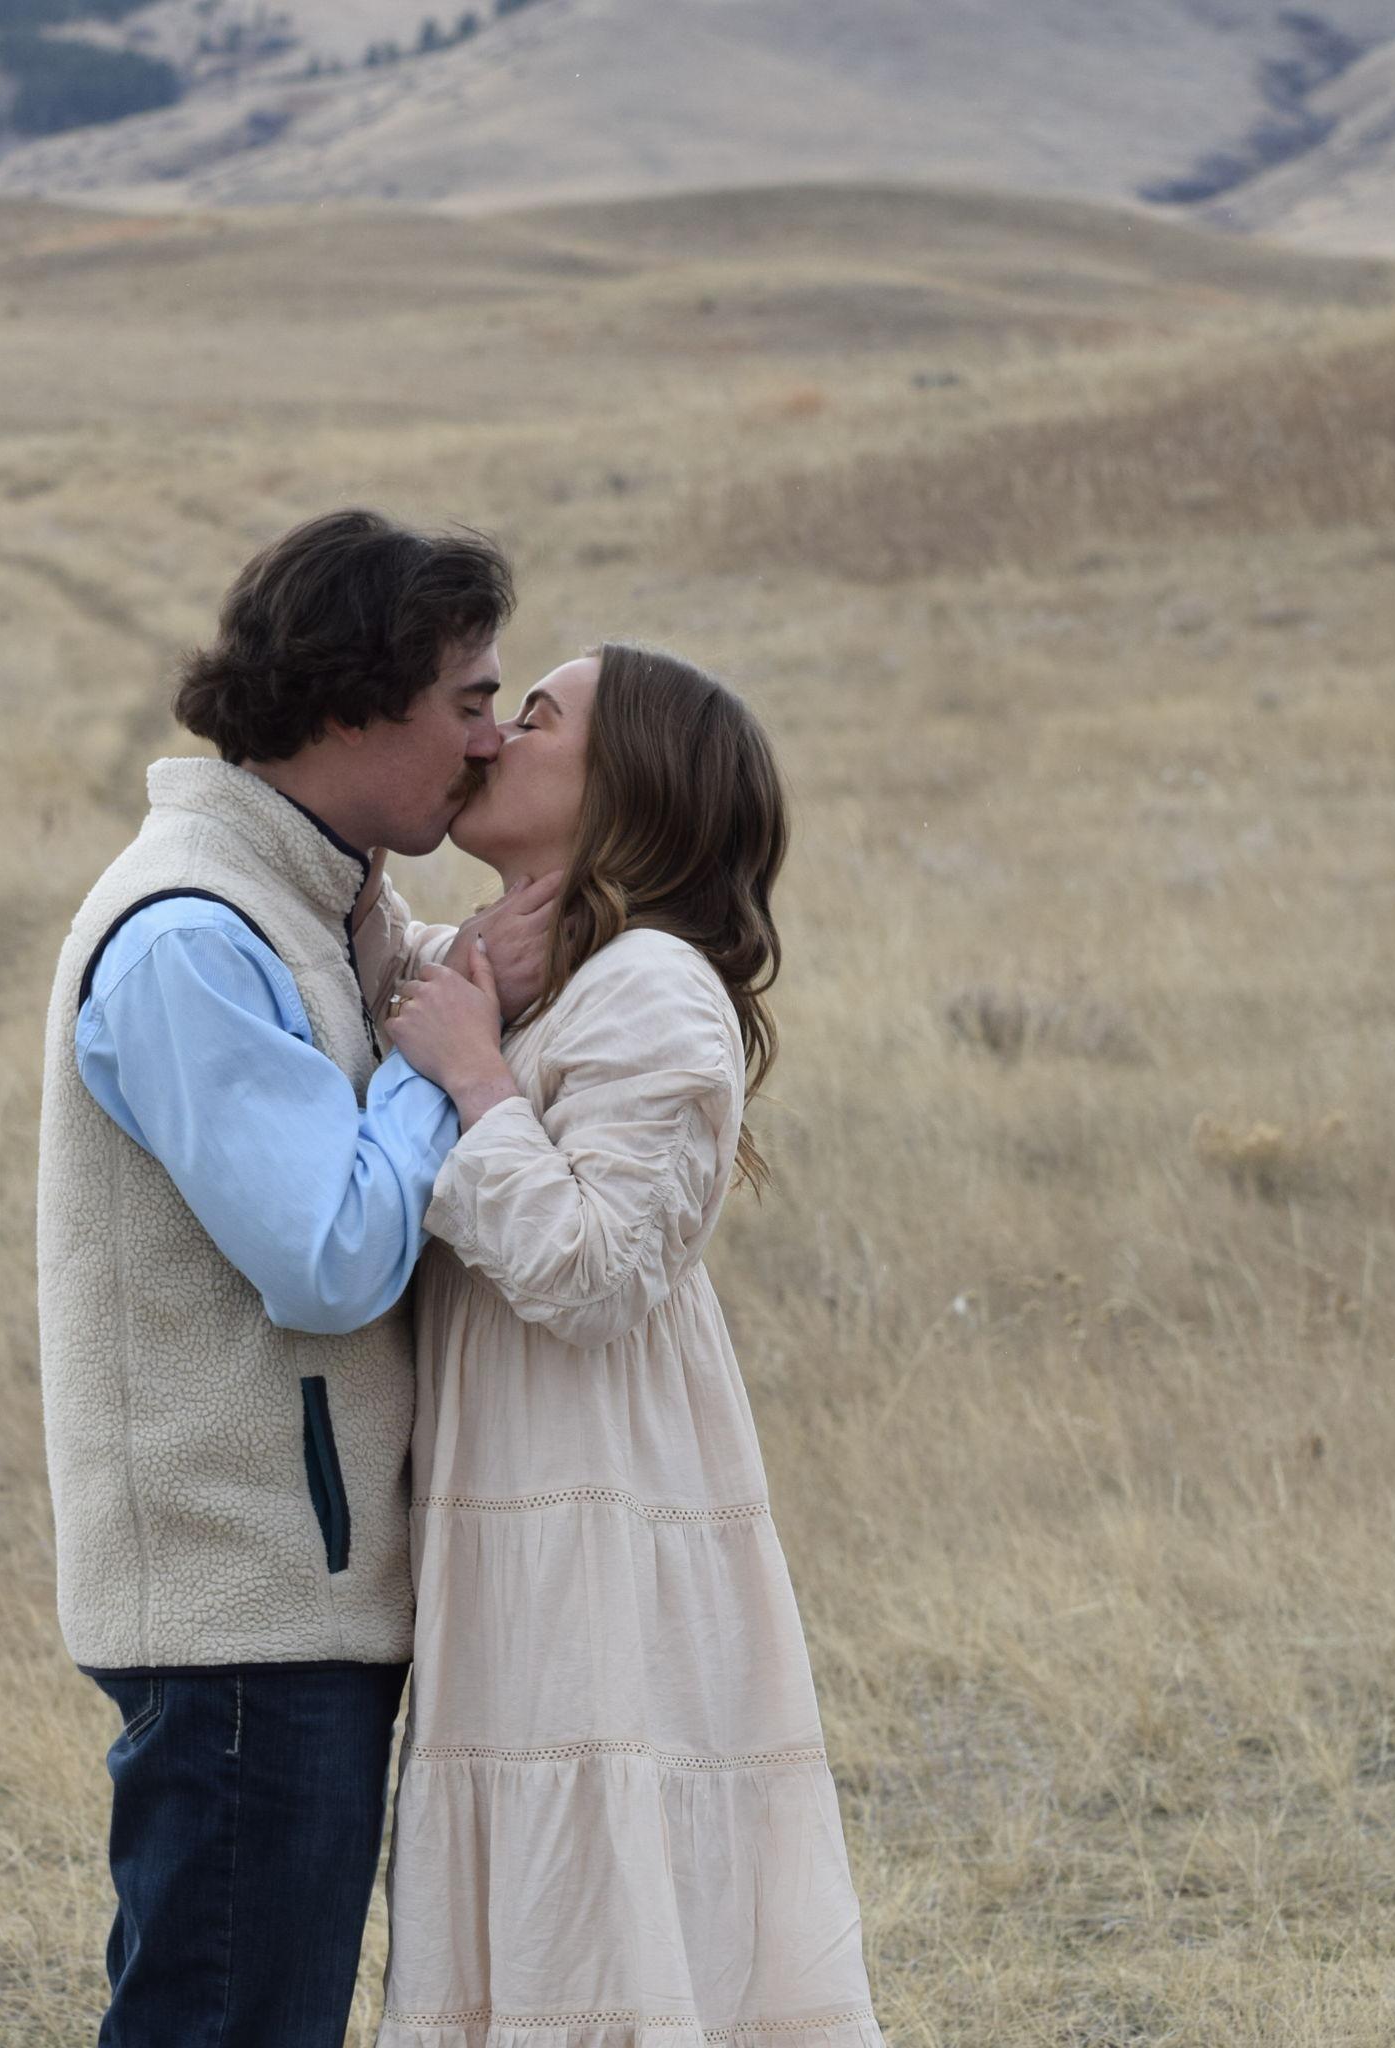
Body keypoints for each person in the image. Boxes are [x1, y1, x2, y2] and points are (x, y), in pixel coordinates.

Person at [36, 508, 558, 2047]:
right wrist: (445, 1058)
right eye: (470, 700)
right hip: (245, 1612)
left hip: (290, 1604)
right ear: (350, 703)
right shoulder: (192, 937)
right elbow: (329, 1258)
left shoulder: (313, 901)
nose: (488, 741)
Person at [363, 644, 885, 2046]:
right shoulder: (541, 969)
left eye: (534, 719)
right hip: (525, 1502)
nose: (491, 739)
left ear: (627, 788)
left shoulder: (655, 984)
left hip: (598, 1511)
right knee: (547, 1884)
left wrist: (475, 1075)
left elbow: (592, 1274)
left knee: (603, 1879)